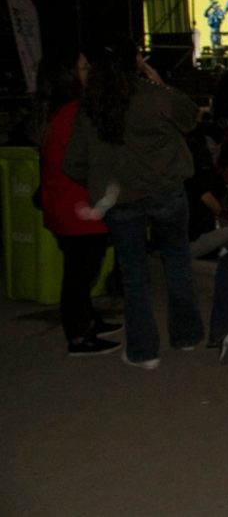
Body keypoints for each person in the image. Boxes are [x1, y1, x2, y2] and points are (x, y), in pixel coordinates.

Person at [64, 36, 203, 370]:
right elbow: (190, 117)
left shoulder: (91, 106)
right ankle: (186, 336)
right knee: (177, 262)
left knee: (133, 273)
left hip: (119, 198)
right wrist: (160, 83)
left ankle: (144, 350)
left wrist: (99, 180)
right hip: (165, 190)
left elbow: (73, 162)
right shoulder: (154, 95)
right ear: (135, 62)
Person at [36, 49, 121, 356]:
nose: (90, 72)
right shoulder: (74, 113)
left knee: (81, 271)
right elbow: (87, 161)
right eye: (84, 68)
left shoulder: (58, 112)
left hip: (67, 204)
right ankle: (78, 336)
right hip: (78, 208)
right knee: (79, 275)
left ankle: (88, 322)